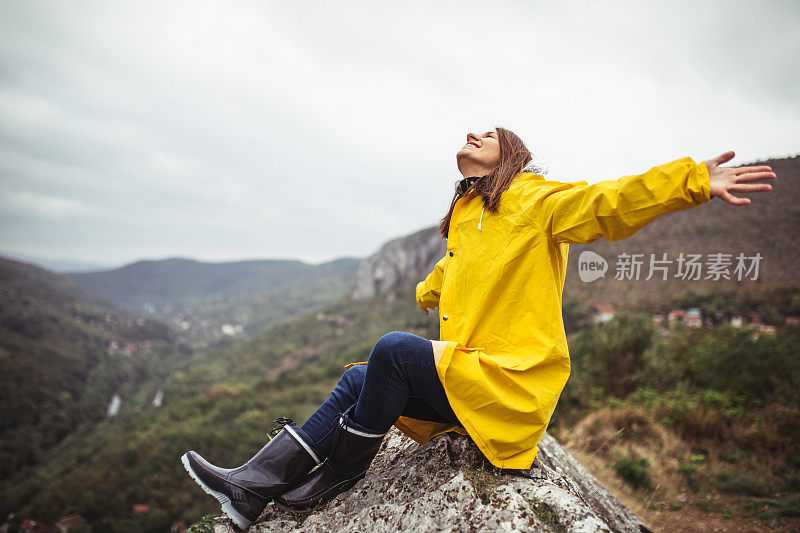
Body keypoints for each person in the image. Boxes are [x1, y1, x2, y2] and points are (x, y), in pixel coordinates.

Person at [181, 127, 776, 529]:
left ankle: (340, 475)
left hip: (506, 387)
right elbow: (455, 268)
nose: (470, 135)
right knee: (359, 380)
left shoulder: (538, 201)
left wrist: (693, 181)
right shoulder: (468, 215)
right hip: (466, 379)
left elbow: (608, 201)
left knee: (392, 350)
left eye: (486, 134)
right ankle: (251, 487)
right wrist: (427, 289)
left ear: (510, 155)